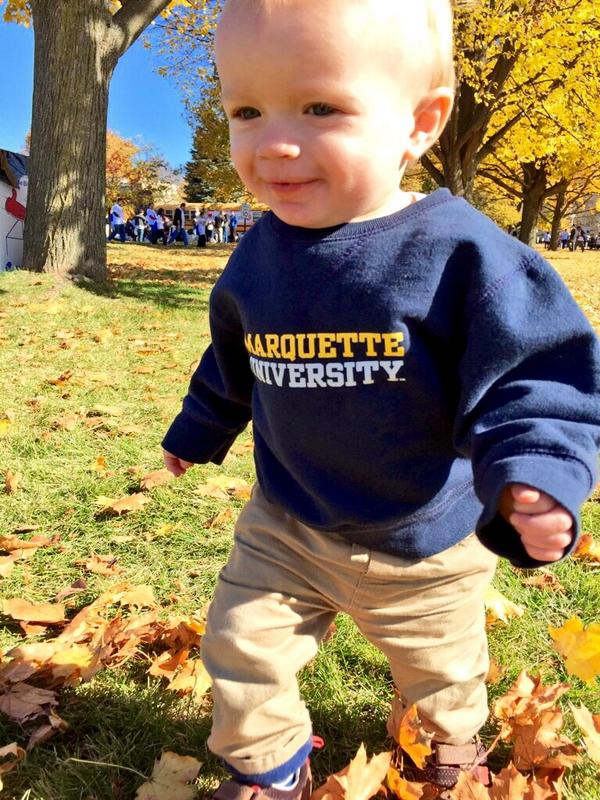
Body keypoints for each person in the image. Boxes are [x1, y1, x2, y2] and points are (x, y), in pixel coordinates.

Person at [161, 2, 600, 799]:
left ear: (421, 123)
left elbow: (537, 376)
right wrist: (198, 429)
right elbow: (233, 355)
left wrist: (538, 473)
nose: (276, 141)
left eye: (320, 107)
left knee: (442, 673)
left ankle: (450, 747)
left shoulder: (465, 255)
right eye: (247, 111)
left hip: (426, 536)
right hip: (289, 520)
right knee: (241, 643)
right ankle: (270, 769)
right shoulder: (258, 253)